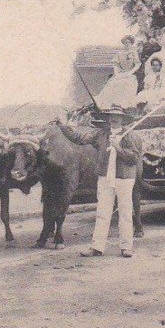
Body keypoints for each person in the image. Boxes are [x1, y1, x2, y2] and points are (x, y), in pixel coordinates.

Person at [57, 105, 142, 258]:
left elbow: (134, 158)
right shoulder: (100, 135)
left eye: (118, 116)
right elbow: (79, 138)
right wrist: (63, 126)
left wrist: (118, 148)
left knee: (125, 213)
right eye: (112, 116)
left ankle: (126, 247)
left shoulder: (130, 136)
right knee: (102, 213)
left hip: (124, 178)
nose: (115, 119)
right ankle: (97, 247)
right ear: (108, 119)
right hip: (105, 178)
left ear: (122, 119)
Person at [97, 35, 140, 110]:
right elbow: (116, 65)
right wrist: (117, 74)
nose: (127, 44)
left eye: (129, 42)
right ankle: (108, 105)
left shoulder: (134, 53)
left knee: (126, 83)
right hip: (120, 73)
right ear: (123, 43)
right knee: (113, 83)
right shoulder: (119, 53)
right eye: (125, 42)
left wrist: (130, 73)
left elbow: (137, 65)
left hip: (130, 74)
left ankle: (122, 105)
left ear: (131, 44)